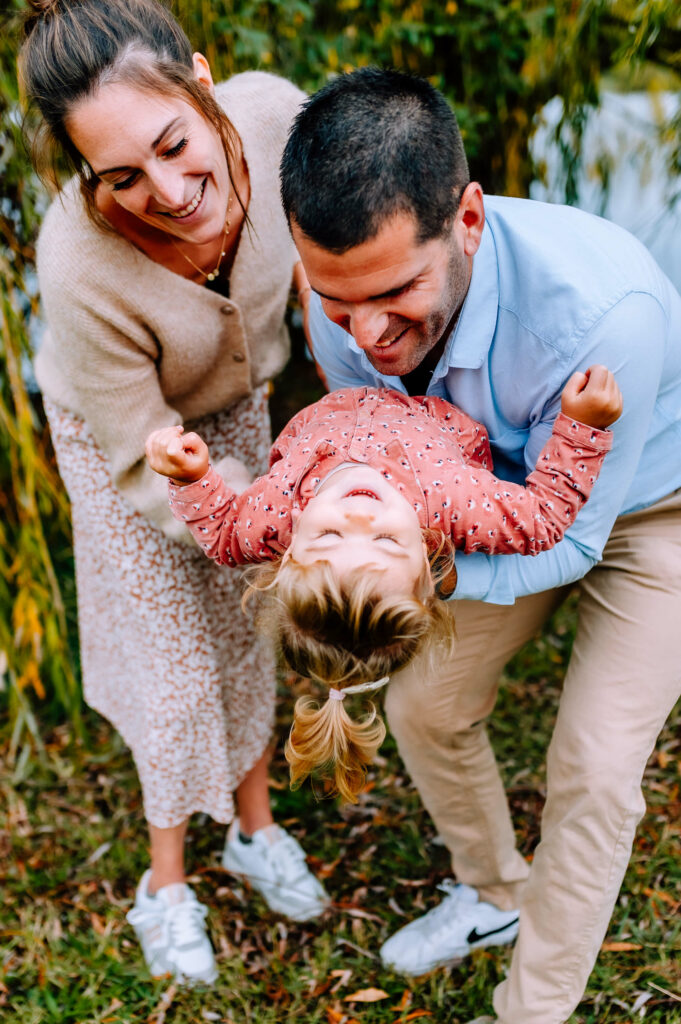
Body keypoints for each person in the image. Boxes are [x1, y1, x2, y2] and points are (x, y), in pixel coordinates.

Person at [279, 68, 681, 1024]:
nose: (366, 334)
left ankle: (530, 1009)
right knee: (423, 705)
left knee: (593, 767)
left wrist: (427, 571)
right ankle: (493, 891)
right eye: (337, 301)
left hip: (651, 507)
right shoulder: (340, 294)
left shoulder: (602, 312)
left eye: (395, 292)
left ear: (466, 218)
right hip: (482, 504)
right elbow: (363, 436)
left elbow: (572, 539)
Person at [19, 0, 328, 987]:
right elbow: (143, 452)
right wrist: (269, 522)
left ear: (201, 81)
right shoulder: (77, 263)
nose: (166, 192)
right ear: (85, 174)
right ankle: (165, 883)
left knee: (247, 622)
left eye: (172, 145)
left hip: (236, 402)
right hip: (128, 442)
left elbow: (337, 234)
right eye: (120, 177)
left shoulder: (278, 118)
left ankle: (253, 829)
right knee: (178, 665)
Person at [146, 371, 621, 802]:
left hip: (345, 378)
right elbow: (541, 519)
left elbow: (224, 536)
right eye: (387, 541)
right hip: (430, 386)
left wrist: (190, 477)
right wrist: (583, 426)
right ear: (430, 573)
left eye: (329, 535)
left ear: (288, 555)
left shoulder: (275, 517)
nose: (360, 517)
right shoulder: (451, 502)